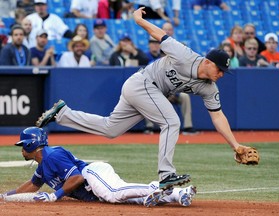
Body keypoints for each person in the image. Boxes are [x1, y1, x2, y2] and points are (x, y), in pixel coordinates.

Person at [36, 7, 250, 191]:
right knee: (172, 121)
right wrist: (138, 20)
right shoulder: (185, 55)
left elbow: (218, 116)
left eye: (224, 71)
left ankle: (63, 114)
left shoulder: (209, 88)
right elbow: (160, 35)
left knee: (111, 129)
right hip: (142, 83)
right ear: (207, 62)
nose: (221, 74)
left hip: (148, 92)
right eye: (220, 69)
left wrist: (235, 146)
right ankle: (166, 175)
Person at [0, 127, 196, 207]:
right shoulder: (44, 164)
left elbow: (77, 178)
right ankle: (179, 193)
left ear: (31, 145)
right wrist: (5, 196)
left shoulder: (52, 155)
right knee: (136, 200)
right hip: (93, 190)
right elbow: (32, 186)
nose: (21, 150)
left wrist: (55, 196)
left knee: (114, 193)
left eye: (22, 145)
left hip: (92, 174)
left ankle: (160, 185)